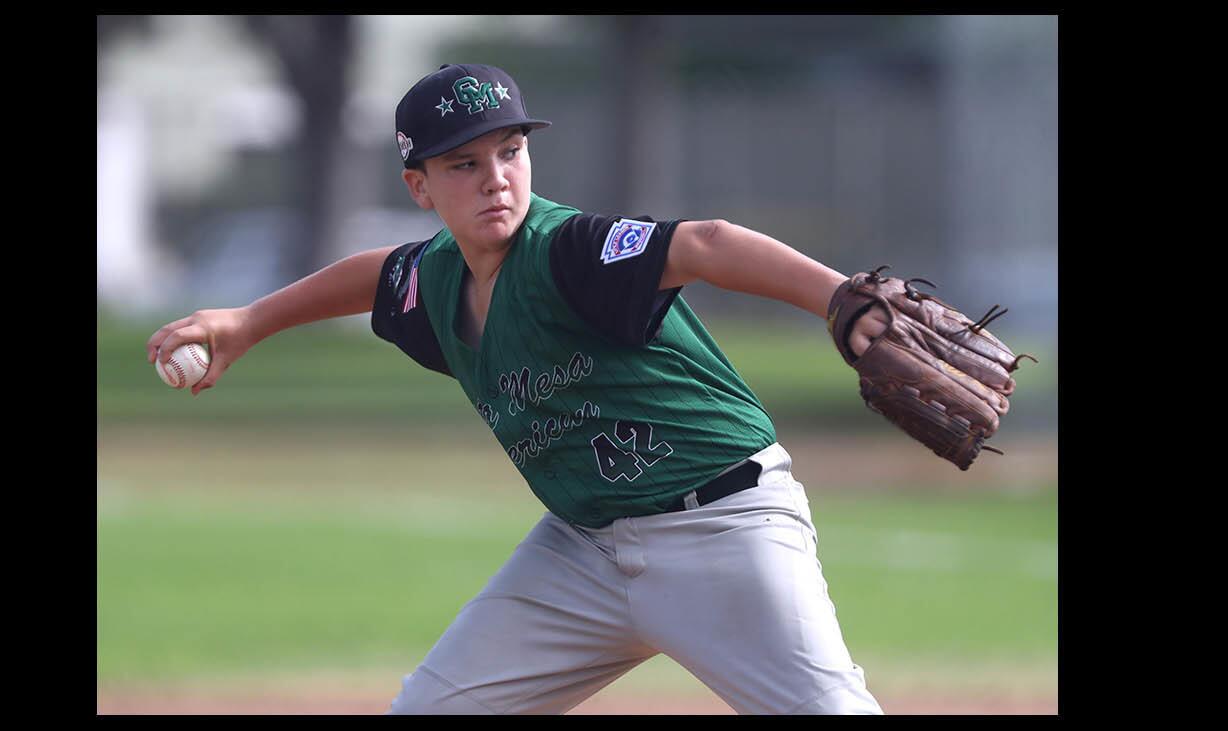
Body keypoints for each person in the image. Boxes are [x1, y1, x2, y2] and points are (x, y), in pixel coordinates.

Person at [147, 63, 890, 715]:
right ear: (420, 186)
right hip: (582, 553)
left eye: (510, 150)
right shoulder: (436, 279)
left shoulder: (569, 251)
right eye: (464, 163)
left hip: (722, 528)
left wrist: (836, 298)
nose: (496, 177)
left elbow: (707, 243)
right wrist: (248, 320)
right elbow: (375, 274)